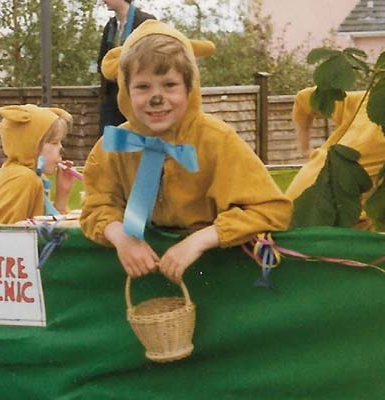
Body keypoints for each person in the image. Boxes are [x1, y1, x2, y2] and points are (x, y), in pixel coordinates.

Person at [80, 21, 292, 284]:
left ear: (189, 88)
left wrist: (201, 240)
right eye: (143, 87)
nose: (156, 98)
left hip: (217, 274)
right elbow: (95, 206)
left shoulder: (217, 141)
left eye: (169, 85)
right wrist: (121, 237)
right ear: (125, 90)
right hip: (144, 274)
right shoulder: (113, 146)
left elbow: (270, 209)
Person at [285, 87, 385, 230]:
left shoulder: (370, 99)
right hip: (331, 217)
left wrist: (305, 149)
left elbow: (305, 98)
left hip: (297, 196)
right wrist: (306, 150)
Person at [0, 105, 76, 224]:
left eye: (60, 142)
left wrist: (62, 194)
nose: (61, 148)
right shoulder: (23, 178)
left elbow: (50, 229)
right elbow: (9, 234)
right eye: (54, 142)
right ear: (30, 145)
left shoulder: (34, 177)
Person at [98, 0, 155, 134]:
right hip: (112, 93)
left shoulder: (146, 21)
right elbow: (102, 59)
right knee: (108, 141)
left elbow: (152, 58)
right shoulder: (111, 25)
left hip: (136, 94)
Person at [290, 86, 364, 160]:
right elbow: (302, 125)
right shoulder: (305, 98)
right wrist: (306, 151)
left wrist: (308, 152)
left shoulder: (347, 108)